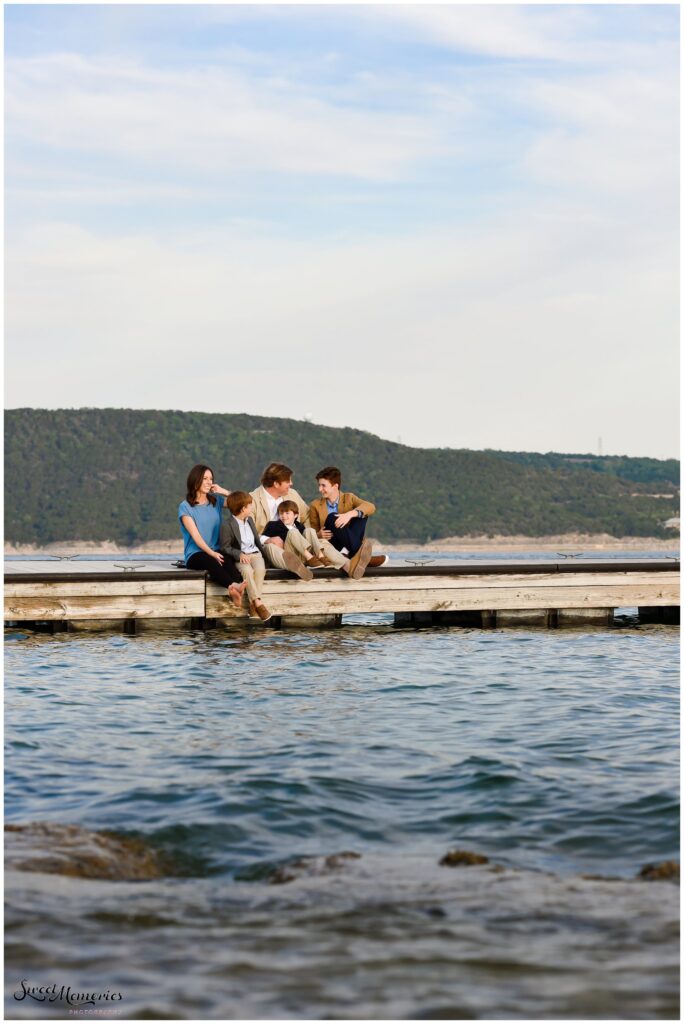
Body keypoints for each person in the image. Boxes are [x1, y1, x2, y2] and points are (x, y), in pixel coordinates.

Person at [178, 464, 246, 609]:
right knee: (212, 562)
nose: (209, 482)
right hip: (196, 554)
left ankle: (234, 590)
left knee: (232, 569)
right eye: (205, 478)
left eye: (211, 479)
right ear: (195, 480)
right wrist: (212, 553)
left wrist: (223, 491)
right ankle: (234, 587)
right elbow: (195, 536)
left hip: (216, 550)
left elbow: (242, 502)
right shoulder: (185, 507)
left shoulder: (216, 501)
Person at [308, 466, 389, 579]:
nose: (320, 489)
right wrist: (318, 534)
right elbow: (312, 532)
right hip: (332, 543)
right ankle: (365, 558)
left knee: (361, 514)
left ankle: (353, 555)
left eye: (323, 485)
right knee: (332, 517)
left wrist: (349, 514)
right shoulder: (315, 505)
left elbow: (370, 507)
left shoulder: (349, 498)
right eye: (319, 485)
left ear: (335, 486)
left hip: (348, 541)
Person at [249, 463, 319, 579]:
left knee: (322, 541)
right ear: (276, 484)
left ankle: (344, 563)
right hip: (274, 551)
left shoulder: (293, 494)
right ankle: (296, 566)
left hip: (299, 545)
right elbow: (248, 530)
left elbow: (307, 516)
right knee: (270, 547)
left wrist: (307, 537)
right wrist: (267, 539)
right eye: (288, 481)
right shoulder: (253, 499)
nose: (291, 484)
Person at [219, 492, 272, 622]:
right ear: (243, 508)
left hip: (255, 553)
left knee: (260, 570)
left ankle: (253, 605)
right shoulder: (227, 525)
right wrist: (239, 554)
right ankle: (258, 603)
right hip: (241, 556)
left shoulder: (250, 520)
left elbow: (256, 540)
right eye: (250, 505)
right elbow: (225, 547)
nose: (252, 508)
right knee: (247, 571)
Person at [262, 500, 348, 571]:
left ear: (295, 515)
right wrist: (270, 540)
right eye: (281, 513)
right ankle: (310, 559)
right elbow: (261, 538)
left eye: (287, 513)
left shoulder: (300, 526)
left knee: (309, 530)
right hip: (291, 555)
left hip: (302, 555)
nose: (284, 516)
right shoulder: (273, 525)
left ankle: (320, 556)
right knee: (293, 532)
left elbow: (306, 539)